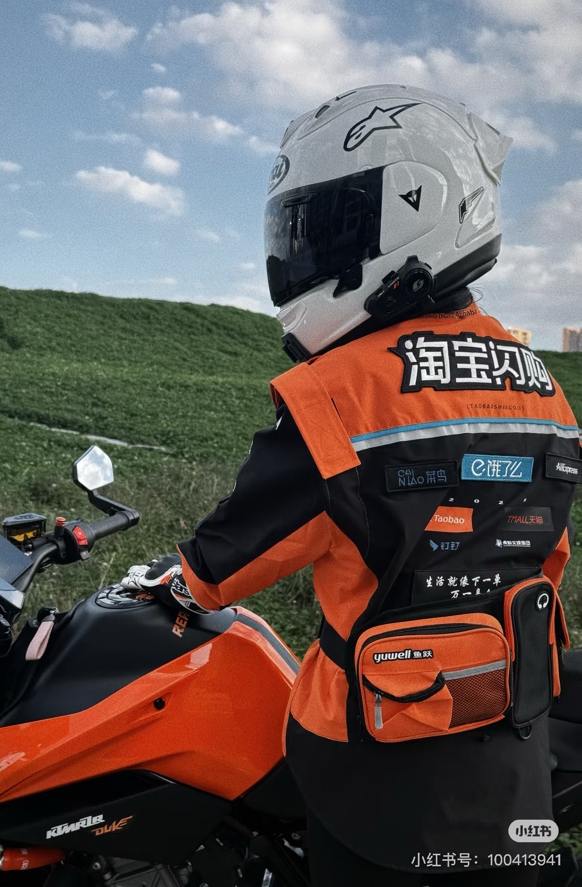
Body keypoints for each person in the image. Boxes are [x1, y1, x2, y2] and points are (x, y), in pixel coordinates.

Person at [121, 84, 581, 885]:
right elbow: (548, 546)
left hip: (375, 768)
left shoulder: (337, 393)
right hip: (507, 755)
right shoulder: (543, 385)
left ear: (412, 213)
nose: (305, 254)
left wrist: (178, 583)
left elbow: (228, 561)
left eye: (330, 227)